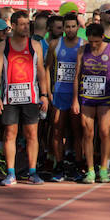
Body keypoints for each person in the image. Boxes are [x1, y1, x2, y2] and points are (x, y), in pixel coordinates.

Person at [0, 11, 50, 186]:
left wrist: (44, 95)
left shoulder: (35, 46)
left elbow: (41, 71)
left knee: (32, 134)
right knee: (10, 134)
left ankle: (32, 172)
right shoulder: (3, 46)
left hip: (31, 97)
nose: (25, 27)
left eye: (27, 24)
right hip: (9, 98)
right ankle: (11, 173)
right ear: (14, 26)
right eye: (22, 24)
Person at [72, 23, 110, 184]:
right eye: (90, 41)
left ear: (102, 37)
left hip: (105, 97)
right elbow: (77, 76)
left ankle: (104, 168)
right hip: (87, 97)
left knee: (105, 132)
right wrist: (75, 100)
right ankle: (91, 170)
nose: (93, 45)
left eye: (96, 42)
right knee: (87, 133)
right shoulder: (82, 50)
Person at [45, 12, 84, 182]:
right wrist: (48, 92)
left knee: (77, 132)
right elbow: (46, 69)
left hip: (76, 95)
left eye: (73, 26)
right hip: (59, 94)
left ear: (78, 27)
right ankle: (59, 165)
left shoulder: (84, 45)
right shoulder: (54, 44)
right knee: (57, 130)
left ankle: (76, 165)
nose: (69, 30)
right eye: (67, 27)